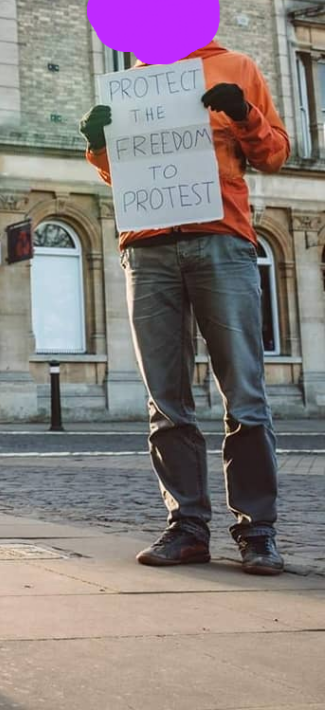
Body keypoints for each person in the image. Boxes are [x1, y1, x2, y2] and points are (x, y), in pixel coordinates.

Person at [80, 39, 289, 575]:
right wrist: (100, 146)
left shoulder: (236, 66)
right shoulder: (135, 80)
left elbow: (274, 154)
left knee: (244, 394)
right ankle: (187, 527)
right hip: (146, 249)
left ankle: (257, 531)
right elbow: (126, 175)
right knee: (165, 401)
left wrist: (243, 113)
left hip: (221, 240)